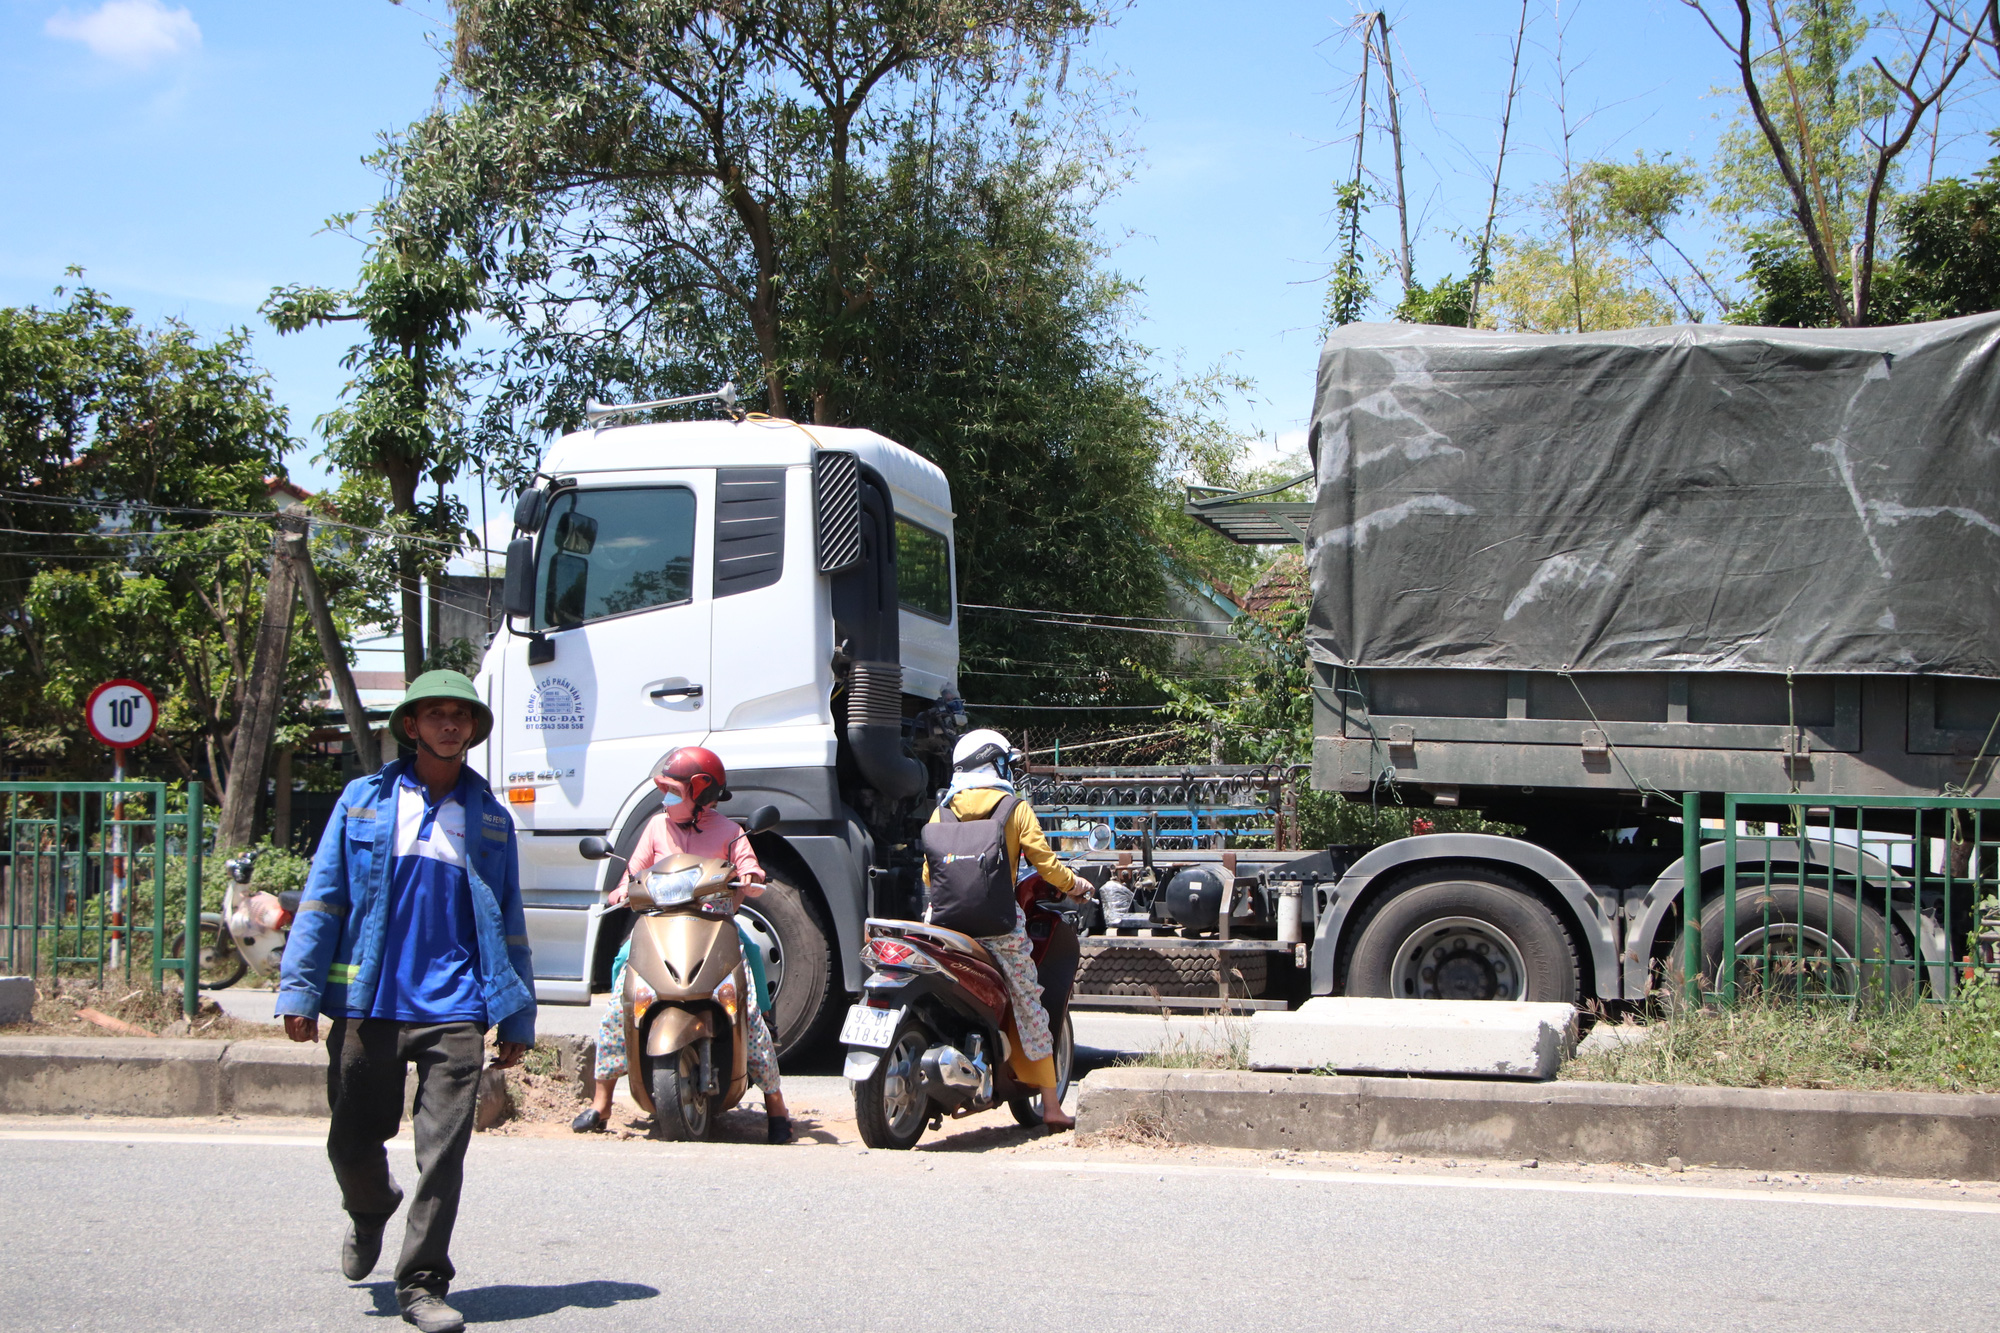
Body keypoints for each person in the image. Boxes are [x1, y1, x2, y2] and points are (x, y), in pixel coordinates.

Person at [277, 670, 536, 1333]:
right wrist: (300, 988)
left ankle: (422, 1283)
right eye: (435, 714)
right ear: (412, 726)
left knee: (443, 1153)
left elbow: (508, 920)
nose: (450, 724)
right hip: (369, 1004)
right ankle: (369, 1207)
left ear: (473, 729)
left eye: (461, 715)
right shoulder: (363, 801)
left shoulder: (491, 820)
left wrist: (517, 1011)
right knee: (351, 1141)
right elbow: (324, 896)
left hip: (457, 1007)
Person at [571, 746, 794, 1144]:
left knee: (750, 1003)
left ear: (700, 793)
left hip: (714, 925)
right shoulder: (657, 828)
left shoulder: (729, 831)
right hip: (659, 927)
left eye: (673, 790)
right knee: (621, 988)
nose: (666, 798)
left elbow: (749, 868)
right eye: (665, 790)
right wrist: (621, 890)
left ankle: (776, 1105)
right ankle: (601, 1101)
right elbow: (633, 871)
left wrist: (752, 876)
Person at [926, 728, 1087, 1130]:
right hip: (999, 928)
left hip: (943, 926)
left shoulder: (941, 810)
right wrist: (1077, 886)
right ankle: (1050, 1107)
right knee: (1030, 1005)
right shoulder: (1014, 808)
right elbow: (1047, 866)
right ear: (994, 765)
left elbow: (930, 873)